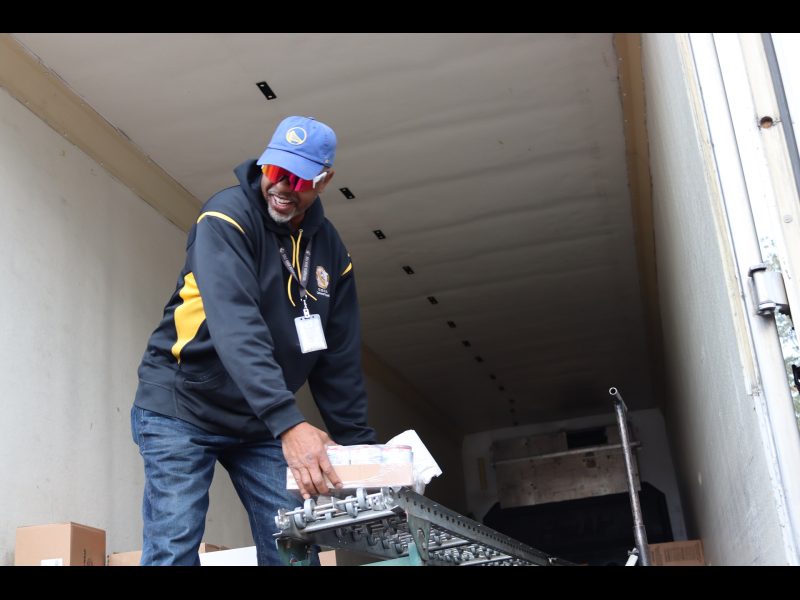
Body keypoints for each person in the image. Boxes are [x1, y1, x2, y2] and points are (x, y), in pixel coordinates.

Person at [130, 115, 376, 566]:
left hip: (258, 423)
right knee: (174, 546)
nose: (281, 186)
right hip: (183, 406)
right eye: (274, 172)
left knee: (294, 551)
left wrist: (365, 453)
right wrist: (289, 424)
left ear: (324, 181)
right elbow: (236, 326)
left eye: (297, 178)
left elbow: (336, 359)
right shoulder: (225, 219)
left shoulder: (331, 253)